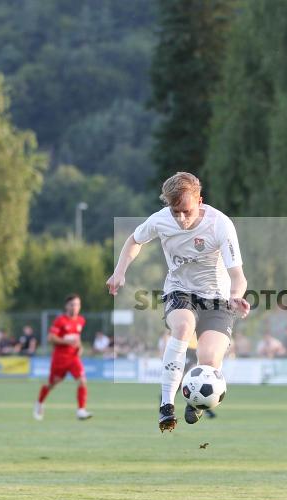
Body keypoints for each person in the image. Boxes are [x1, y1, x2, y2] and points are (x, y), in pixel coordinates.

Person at [107, 172, 250, 431]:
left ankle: (195, 402)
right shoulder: (160, 221)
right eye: (175, 212)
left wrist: (236, 295)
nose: (181, 218)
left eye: (186, 211)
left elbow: (238, 276)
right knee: (183, 328)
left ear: (200, 201)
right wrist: (120, 271)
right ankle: (166, 405)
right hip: (179, 290)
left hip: (218, 299)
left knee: (208, 360)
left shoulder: (221, 224)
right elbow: (134, 240)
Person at [34, 294, 92, 421]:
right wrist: (68, 342)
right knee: (52, 384)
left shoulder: (81, 320)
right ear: (66, 306)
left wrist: (80, 347)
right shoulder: (60, 320)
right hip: (60, 359)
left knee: (82, 380)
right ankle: (39, 403)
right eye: (72, 304)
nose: (75, 307)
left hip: (73, 358)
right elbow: (51, 338)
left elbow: (77, 337)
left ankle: (81, 410)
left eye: (77, 304)